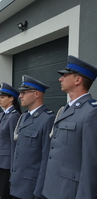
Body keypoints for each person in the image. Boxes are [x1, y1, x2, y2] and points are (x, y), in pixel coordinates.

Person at [43, 56, 97, 199]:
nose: (60, 79)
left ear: (78, 80)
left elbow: (90, 164)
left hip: (69, 192)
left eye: (65, 75)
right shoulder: (66, 109)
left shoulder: (91, 112)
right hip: (53, 187)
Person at [10, 75, 55, 199]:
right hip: (17, 182)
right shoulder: (24, 117)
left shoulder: (48, 119)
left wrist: (39, 191)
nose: (20, 96)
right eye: (20, 93)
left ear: (36, 94)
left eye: (24, 92)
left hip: (31, 186)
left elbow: (46, 158)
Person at [0, 83, 21, 199]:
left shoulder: (13, 116)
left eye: (2, 97)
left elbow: (14, 144)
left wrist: (13, 168)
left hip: (7, 163)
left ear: (11, 99)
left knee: (6, 193)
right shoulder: (2, 115)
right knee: (1, 192)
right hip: (0, 161)